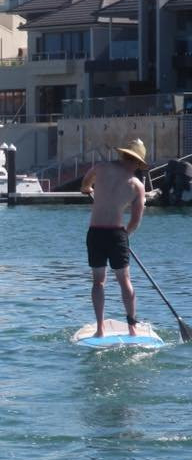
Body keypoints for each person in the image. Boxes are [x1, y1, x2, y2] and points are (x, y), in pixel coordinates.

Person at [80, 138, 147, 337]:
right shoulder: (137, 185)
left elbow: (85, 184)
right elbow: (135, 220)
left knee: (98, 282)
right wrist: (125, 236)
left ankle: (100, 329)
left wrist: (88, 189)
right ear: (135, 161)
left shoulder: (100, 168)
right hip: (117, 233)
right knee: (124, 281)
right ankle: (132, 328)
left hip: (96, 232)